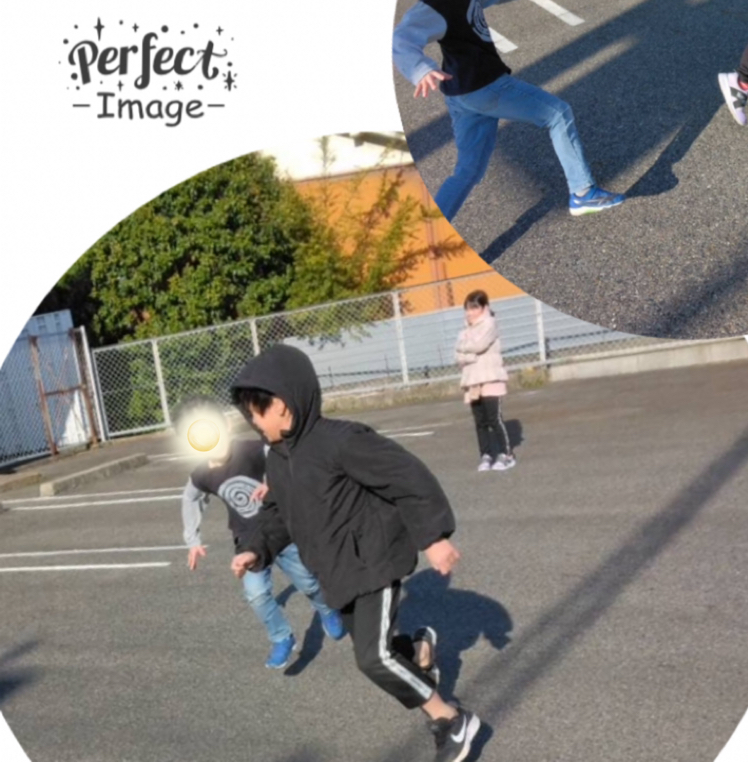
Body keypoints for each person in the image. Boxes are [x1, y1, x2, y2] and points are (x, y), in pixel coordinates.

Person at [229, 345, 481, 760]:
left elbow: (406, 476)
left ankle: (451, 720)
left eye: (256, 413)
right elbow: (276, 516)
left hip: (373, 561)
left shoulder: (341, 441)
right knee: (378, 647)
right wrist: (255, 549)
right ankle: (419, 651)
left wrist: (433, 536)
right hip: (336, 573)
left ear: (282, 406)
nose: (252, 422)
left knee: (373, 658)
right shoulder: (278, 462)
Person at [394, 0, 624, 221]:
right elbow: (402, 38)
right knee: (558, 114)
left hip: (462, 94)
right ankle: (583, 193)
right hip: (485, 86)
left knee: (468, 170)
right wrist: (420, 69)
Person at [183, 426, 346, 670]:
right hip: (247, 540)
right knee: (256, 594)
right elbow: (190, 497)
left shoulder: (249, 450)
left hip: (279, 529)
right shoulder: (202, 474)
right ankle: (282, 637)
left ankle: (326, 609)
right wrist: (192, 540)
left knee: (308, 583)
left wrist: (273, 480)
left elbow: (279, 451)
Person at [455, 290, 514, 471]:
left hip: (490, 377)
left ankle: (506, 455)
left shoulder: (490, 323)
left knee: (494, 418)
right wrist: (471, 355)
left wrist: (466, 351)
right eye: (468, 308)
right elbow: (457, 355)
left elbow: (480, 345)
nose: (470, 312)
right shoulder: (464, 330)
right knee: (480, 421)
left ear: (484, 307)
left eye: (475, 308)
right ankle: (486, 455)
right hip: (473, 380)